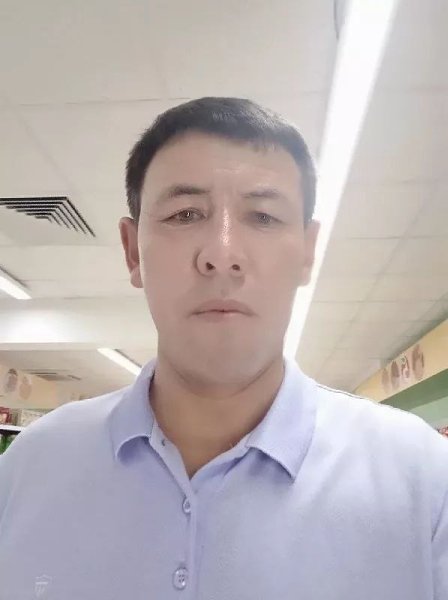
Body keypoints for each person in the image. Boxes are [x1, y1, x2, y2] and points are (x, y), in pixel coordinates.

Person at [0, 97, 446, 600]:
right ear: (132, 251)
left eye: (263, 216)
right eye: (185, 213)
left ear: (307, 251)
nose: (222, 253)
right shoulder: (31, 466)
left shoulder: (423, 481)